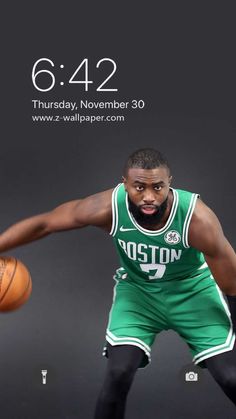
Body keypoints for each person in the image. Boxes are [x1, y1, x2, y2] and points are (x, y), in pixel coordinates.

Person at [0, 148, 236, 418]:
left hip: (193, 291)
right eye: (139, 187)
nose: (149, 196)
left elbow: (232, 282)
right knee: (118, 374)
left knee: (231, 377)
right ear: (124, 184)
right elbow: (45, 224)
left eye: (158, 187)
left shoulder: (197, 219)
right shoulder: (106, 208)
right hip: (139, 294)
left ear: (170, 182)